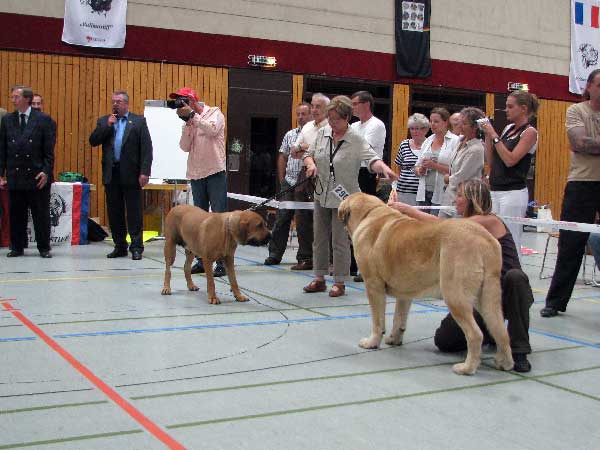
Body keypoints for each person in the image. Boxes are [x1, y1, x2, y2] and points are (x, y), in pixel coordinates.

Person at [388, 179, 534, 372]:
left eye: (459, 196)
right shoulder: (466, 227)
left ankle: (519, 351)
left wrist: (408, 210)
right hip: (480, 293)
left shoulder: (488, 220)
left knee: (516, 278)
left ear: (473, 200)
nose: (455, 200)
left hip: (506, 291)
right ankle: (490, 334)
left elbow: (445, 226)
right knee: (444, 341)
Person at [301, 96, 397, 297]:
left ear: (347, 118)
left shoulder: (355, 139)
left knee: (340, 240)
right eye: (330, 118)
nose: (332, 123)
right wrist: (311, 165)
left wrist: (384, 169)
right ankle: (319, 278)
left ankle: (340, 281)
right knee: (318, 238)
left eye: (336, 119)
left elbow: (372, 160)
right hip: (321, 193)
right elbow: (308, 154)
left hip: (344, 200)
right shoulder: (324, 133)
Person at [541, 69, 600, 317]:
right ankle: (555, 302)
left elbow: (589, 144)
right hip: (582, 183)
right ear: (589, 86)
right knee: (571, 243)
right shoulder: (576, 111)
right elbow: (579, 143)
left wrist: (592, 144)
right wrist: (588, 144)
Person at [89, 90, 153, 260]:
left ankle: (137, 246)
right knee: (114, 212)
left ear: (126, 103)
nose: (115, 104)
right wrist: (107, 126)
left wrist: (145, 172)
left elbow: (146, 149)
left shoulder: (138, 122)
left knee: (134, 212)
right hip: (112, 173)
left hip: (132, 174)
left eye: (118, 101)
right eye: (113, 101)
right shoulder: (105, 121)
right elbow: (93, 140)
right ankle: (120, 246)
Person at [172, 87, 228, 277]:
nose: (180, 105)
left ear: (192, 100)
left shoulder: (215, 113)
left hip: (215, 173)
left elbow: (212, 130)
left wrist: (193, 116)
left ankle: (221, 262)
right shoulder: (188, 122)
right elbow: (183, 147)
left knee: (219, 218)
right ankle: (202, 261)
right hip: (196, 175)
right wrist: (188, 124)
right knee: (200, 221)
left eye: (183, 101)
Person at [0, 85, 56, 258]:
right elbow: (2, 148)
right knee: (16, 213)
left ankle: (44, 247)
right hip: (15, 175)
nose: (13, 100)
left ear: (26, 99)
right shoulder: (8, 120)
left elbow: (49, 152)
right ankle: (17, 246)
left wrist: (46, 172)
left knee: (41, 215)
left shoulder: (44, 120)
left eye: (16, 97)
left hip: (37, 175)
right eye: (12, 97)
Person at [481, 90, 539, 253]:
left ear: (523, 108)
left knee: (510, 239)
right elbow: (492, 161)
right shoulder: (507, 129)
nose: (506, 109)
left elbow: (510, 160)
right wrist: (487, 136)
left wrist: (494, 135)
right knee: (492, 238)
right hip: (495, 190)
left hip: (513, 193)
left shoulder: (530, 132)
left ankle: (514, 276)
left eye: (510, 106)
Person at [263, 102, 314, 269]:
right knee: (282, 218)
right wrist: (282, 180)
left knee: (303, 222)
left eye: (304, 114)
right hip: (289, 182)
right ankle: (274, 254)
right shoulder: (290, 135)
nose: (300, 117)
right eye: (298, 114)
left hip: (307, 185)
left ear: (311, 115)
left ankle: (305, 257)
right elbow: (282, 157)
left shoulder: (316, 134)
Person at [439, 107, 486, 218]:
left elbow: (461, 177)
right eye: (460, 123)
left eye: (464, 124)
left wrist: (447, 179)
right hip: (448, 198)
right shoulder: (459, 141)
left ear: (475, 127)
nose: (460, 126)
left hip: (465, 202)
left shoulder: (476, 149)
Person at [414, 107, 459, 214]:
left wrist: (434, 165)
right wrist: (420, 170)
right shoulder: (428, 140)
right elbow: (417, 166)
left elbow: (457, 170)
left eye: (436, 121)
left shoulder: (455, 141)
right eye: (431, 121)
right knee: (422, 226)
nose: (432, 124)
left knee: (436, 226)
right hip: (423, 192)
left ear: (445, 122)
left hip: (443, 192)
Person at [350, 91, 386, 195]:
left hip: (366, 171)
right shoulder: (353, 126)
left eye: (355, 104)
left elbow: (362, 148)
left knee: (363, 207)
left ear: (366, 104)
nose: (352, 107)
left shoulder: (376, 124)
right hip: (352, 169)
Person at [394, 113, 429, 205]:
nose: (414, 131)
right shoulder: (404, 144)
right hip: (402, 190)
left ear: (425, 129)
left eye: (417, 128)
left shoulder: (430, 145)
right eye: (412, 129)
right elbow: (399, 167)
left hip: (422, 192)